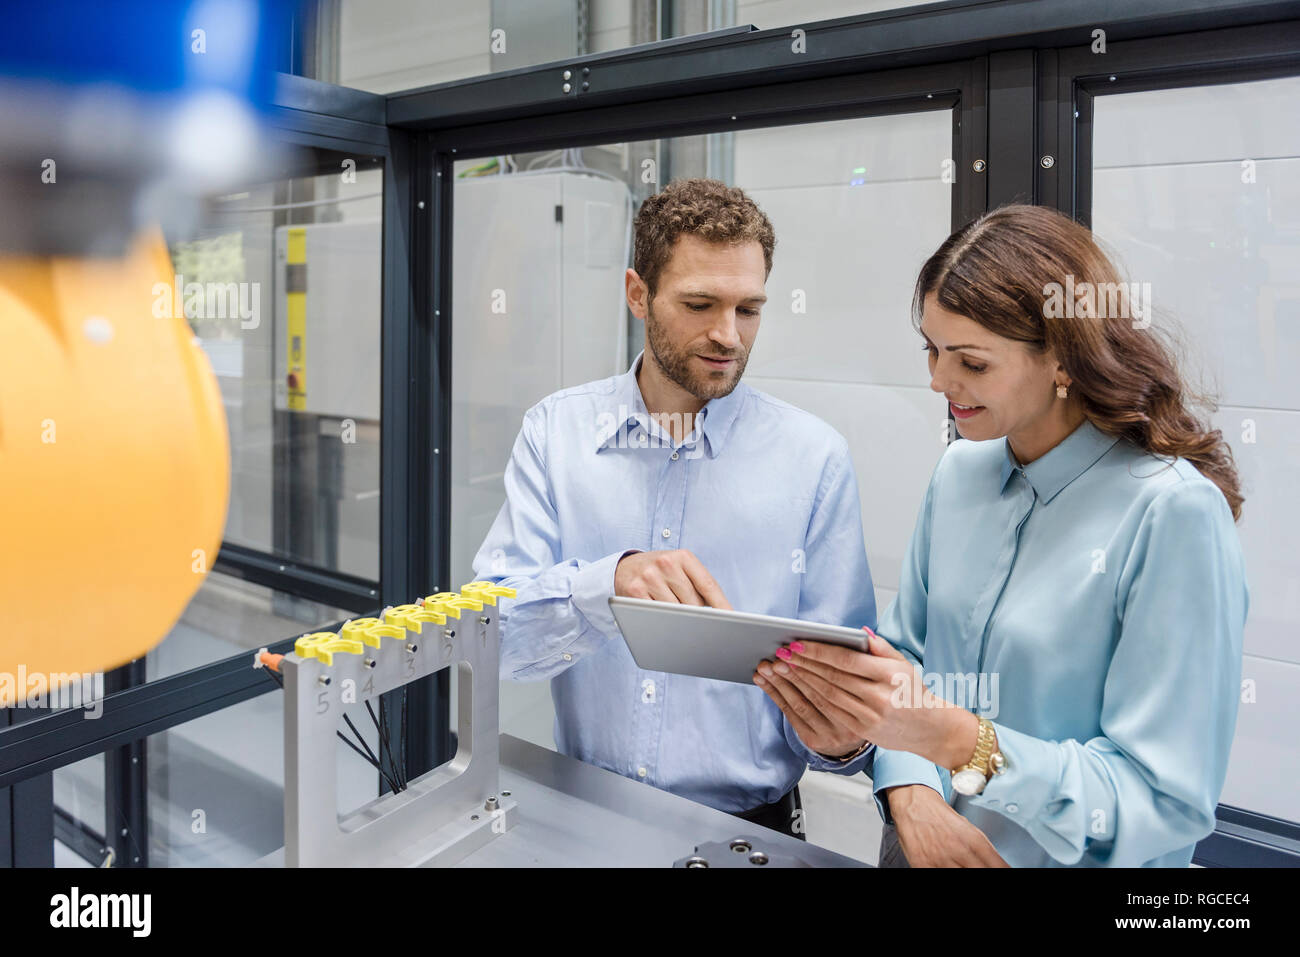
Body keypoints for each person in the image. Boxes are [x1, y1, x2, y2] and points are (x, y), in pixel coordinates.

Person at [754, 203, 1249, 866]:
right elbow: (908, 666)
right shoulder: (959, 474)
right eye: (931, 349)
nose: (937, 381)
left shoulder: (1173, 514)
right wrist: (913, 797)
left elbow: (1162, 799)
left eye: (972, 363)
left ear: (1063, 361)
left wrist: (967, 743)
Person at [472, 178, 877, 837]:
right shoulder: (556, 433)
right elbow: (489, 639)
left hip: (751, 832)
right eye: (700, 303)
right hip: (583, 819)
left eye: (749, 309)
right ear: (638, 294)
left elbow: (845, 723)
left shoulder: (816, 461)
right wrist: (608, 583)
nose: (729, 335)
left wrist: (843, 738)